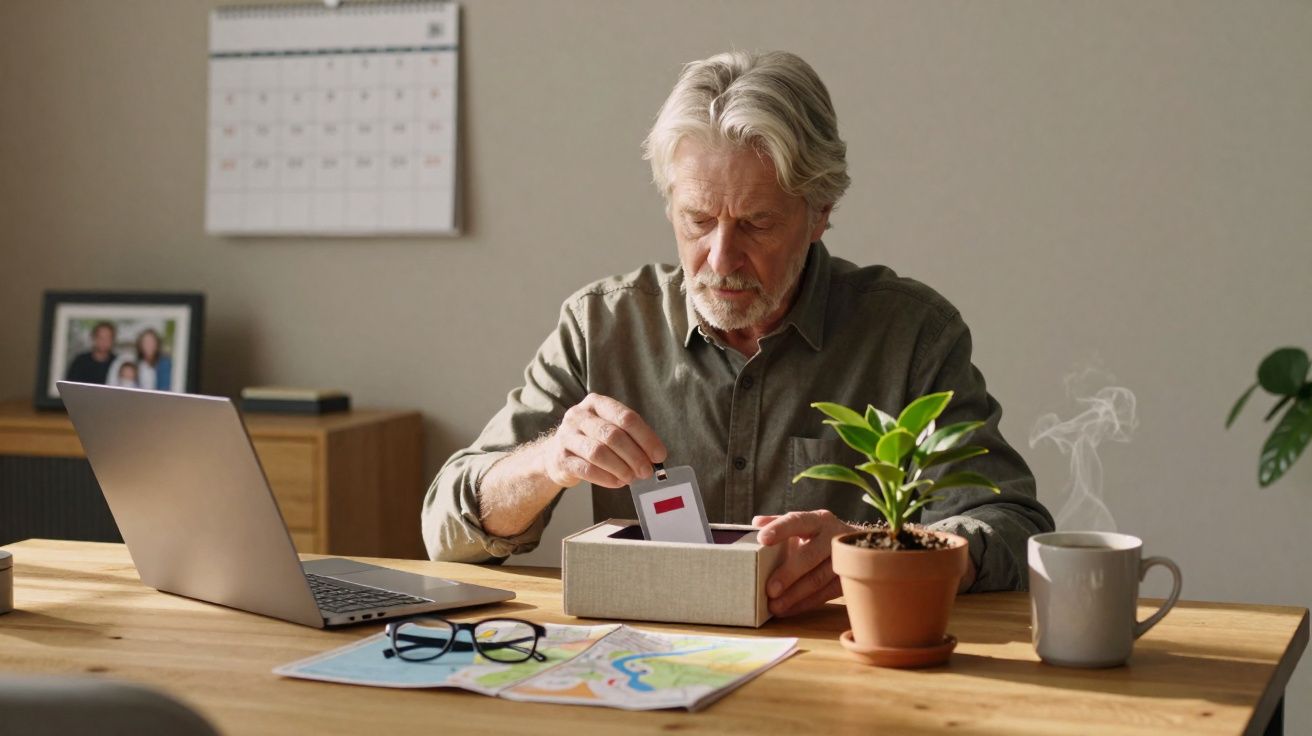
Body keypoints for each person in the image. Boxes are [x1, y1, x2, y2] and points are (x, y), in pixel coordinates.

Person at [422, 50, 1054, 617]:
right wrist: (549, 459)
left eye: (756, 223)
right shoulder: (602, 325)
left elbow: (1014, 528)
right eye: (698, 220)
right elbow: (444, 533)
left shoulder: (911, 335)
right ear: (670, 205)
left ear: (820, 214)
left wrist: (878, 550)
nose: (721, 259)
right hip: (645, 674)